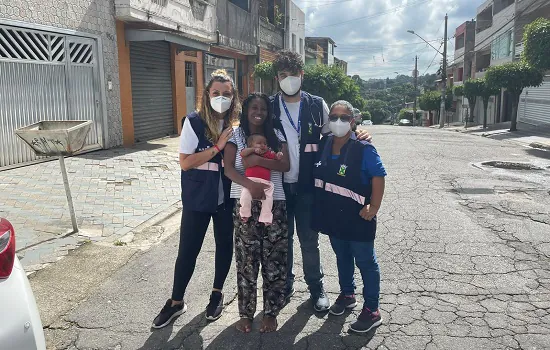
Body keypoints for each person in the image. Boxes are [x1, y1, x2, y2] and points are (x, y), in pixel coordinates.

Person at [240, 50, 371, 312]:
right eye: (283, 75)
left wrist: (357, 133)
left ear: (302, 75)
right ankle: (286, 284)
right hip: (277, 185)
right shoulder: (271, 106)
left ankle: (316, 287)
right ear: (277, 78)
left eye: (293, 74)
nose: (288, 79)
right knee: (282, 239)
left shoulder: (316, 104)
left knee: (308, 240)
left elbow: (334, 134)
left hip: (309, 185)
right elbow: (250, 126)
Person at [152, 69, 240, 329]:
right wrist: (217, 147)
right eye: (216, 93)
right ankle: (176, 302)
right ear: (207, 95)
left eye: (226, 94)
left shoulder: (237, 125)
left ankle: (216, 293)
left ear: (233, 97)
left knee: (225, 245)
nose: (221, 98)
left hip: (226, 197)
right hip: (197, 196)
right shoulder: (194, 122)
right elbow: (186, 162)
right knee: (188, 249)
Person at [311, 100, 386, 333]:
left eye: (344, 117)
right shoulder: (324, 144)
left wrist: (374, 206)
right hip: (334, 216)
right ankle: (347, 294)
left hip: (359, 217)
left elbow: (378, 176)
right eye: (333, 117)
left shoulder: (364, 147)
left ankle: (372, 310)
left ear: (353, 122)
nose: (338, 121)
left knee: (365, 261)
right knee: (342, 256)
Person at [224, 93, 290, 333]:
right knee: (247, 261)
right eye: (254, 107)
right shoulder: (236, 134)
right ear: (246, 110)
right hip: (244, 204)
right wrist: (249, 184)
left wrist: (257, 161)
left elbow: (285, 165)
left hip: (275, 203)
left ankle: (271, 312)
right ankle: (246, 313)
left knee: (275, 259)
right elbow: (229, 169)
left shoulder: (276, 135)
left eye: (263, 108)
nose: (258, 111)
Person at [238, 134, 283, 224]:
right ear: (250, 145)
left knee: (268, 198)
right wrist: (253, 150)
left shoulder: (267, 154)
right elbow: (242, 153)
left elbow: (276, 158)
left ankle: (266, 217)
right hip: (250, 181)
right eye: (259, 143)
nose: (263, 145)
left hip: (266, 182)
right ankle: (244, 214)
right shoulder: (249, 153)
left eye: (265, 144)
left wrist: (278, 155)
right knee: (244, 196)